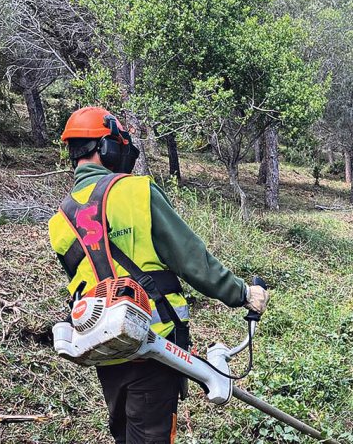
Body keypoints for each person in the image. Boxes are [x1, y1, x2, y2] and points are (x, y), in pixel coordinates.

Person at [47, 106, 269, 444]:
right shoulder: (134, 191)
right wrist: (241, 293)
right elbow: (192, 259)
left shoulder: (60, 221)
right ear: (107, 147)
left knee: (126, 432)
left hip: (106, 347)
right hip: (156, 342)